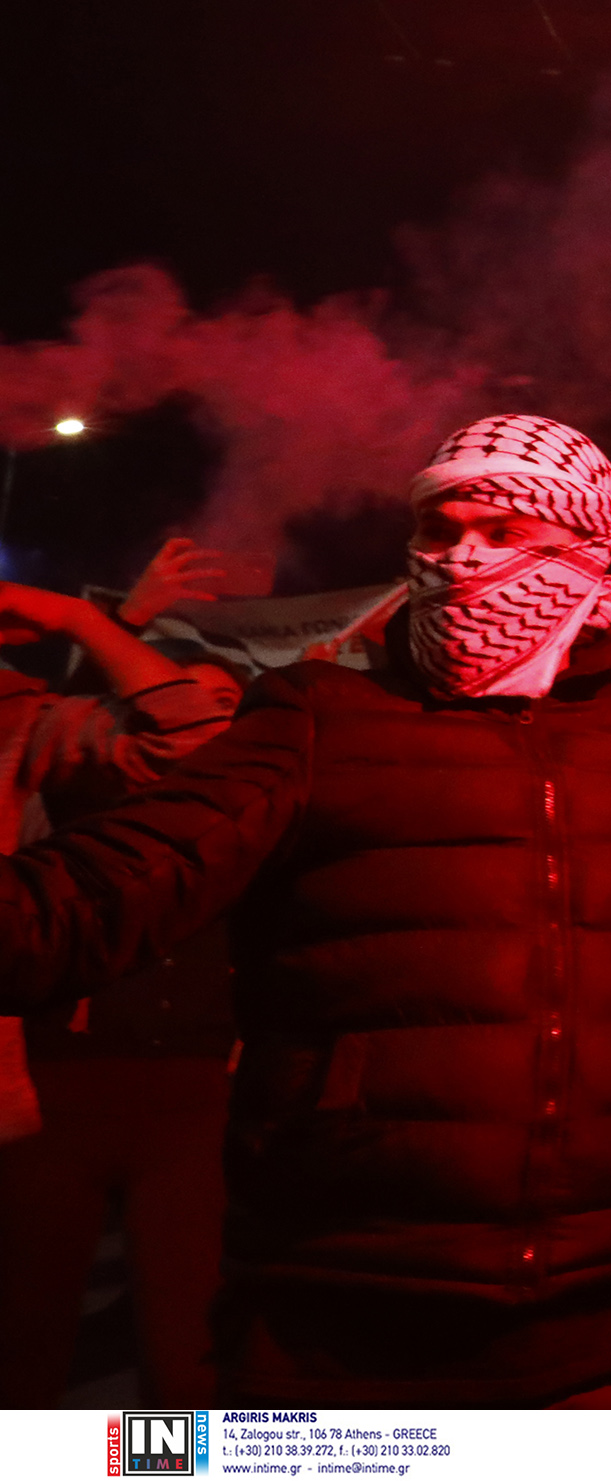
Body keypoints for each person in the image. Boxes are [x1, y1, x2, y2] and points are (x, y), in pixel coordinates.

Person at [0, 415, 611, 1407]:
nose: (461, 562)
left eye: (500, 533)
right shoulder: (320, 723)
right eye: (439, 531)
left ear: (584, 550)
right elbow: (86, 900)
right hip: (344, 1343)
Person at [0, 540, 245, 1407]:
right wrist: (117, 619)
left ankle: (174, 1465)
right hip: (59, 1086)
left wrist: (83, 616)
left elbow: (187, 732)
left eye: (236, 703)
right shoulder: (83, 794)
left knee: (185, 1345)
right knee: (23, 1332)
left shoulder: (246, 823)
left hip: (178, 1090)